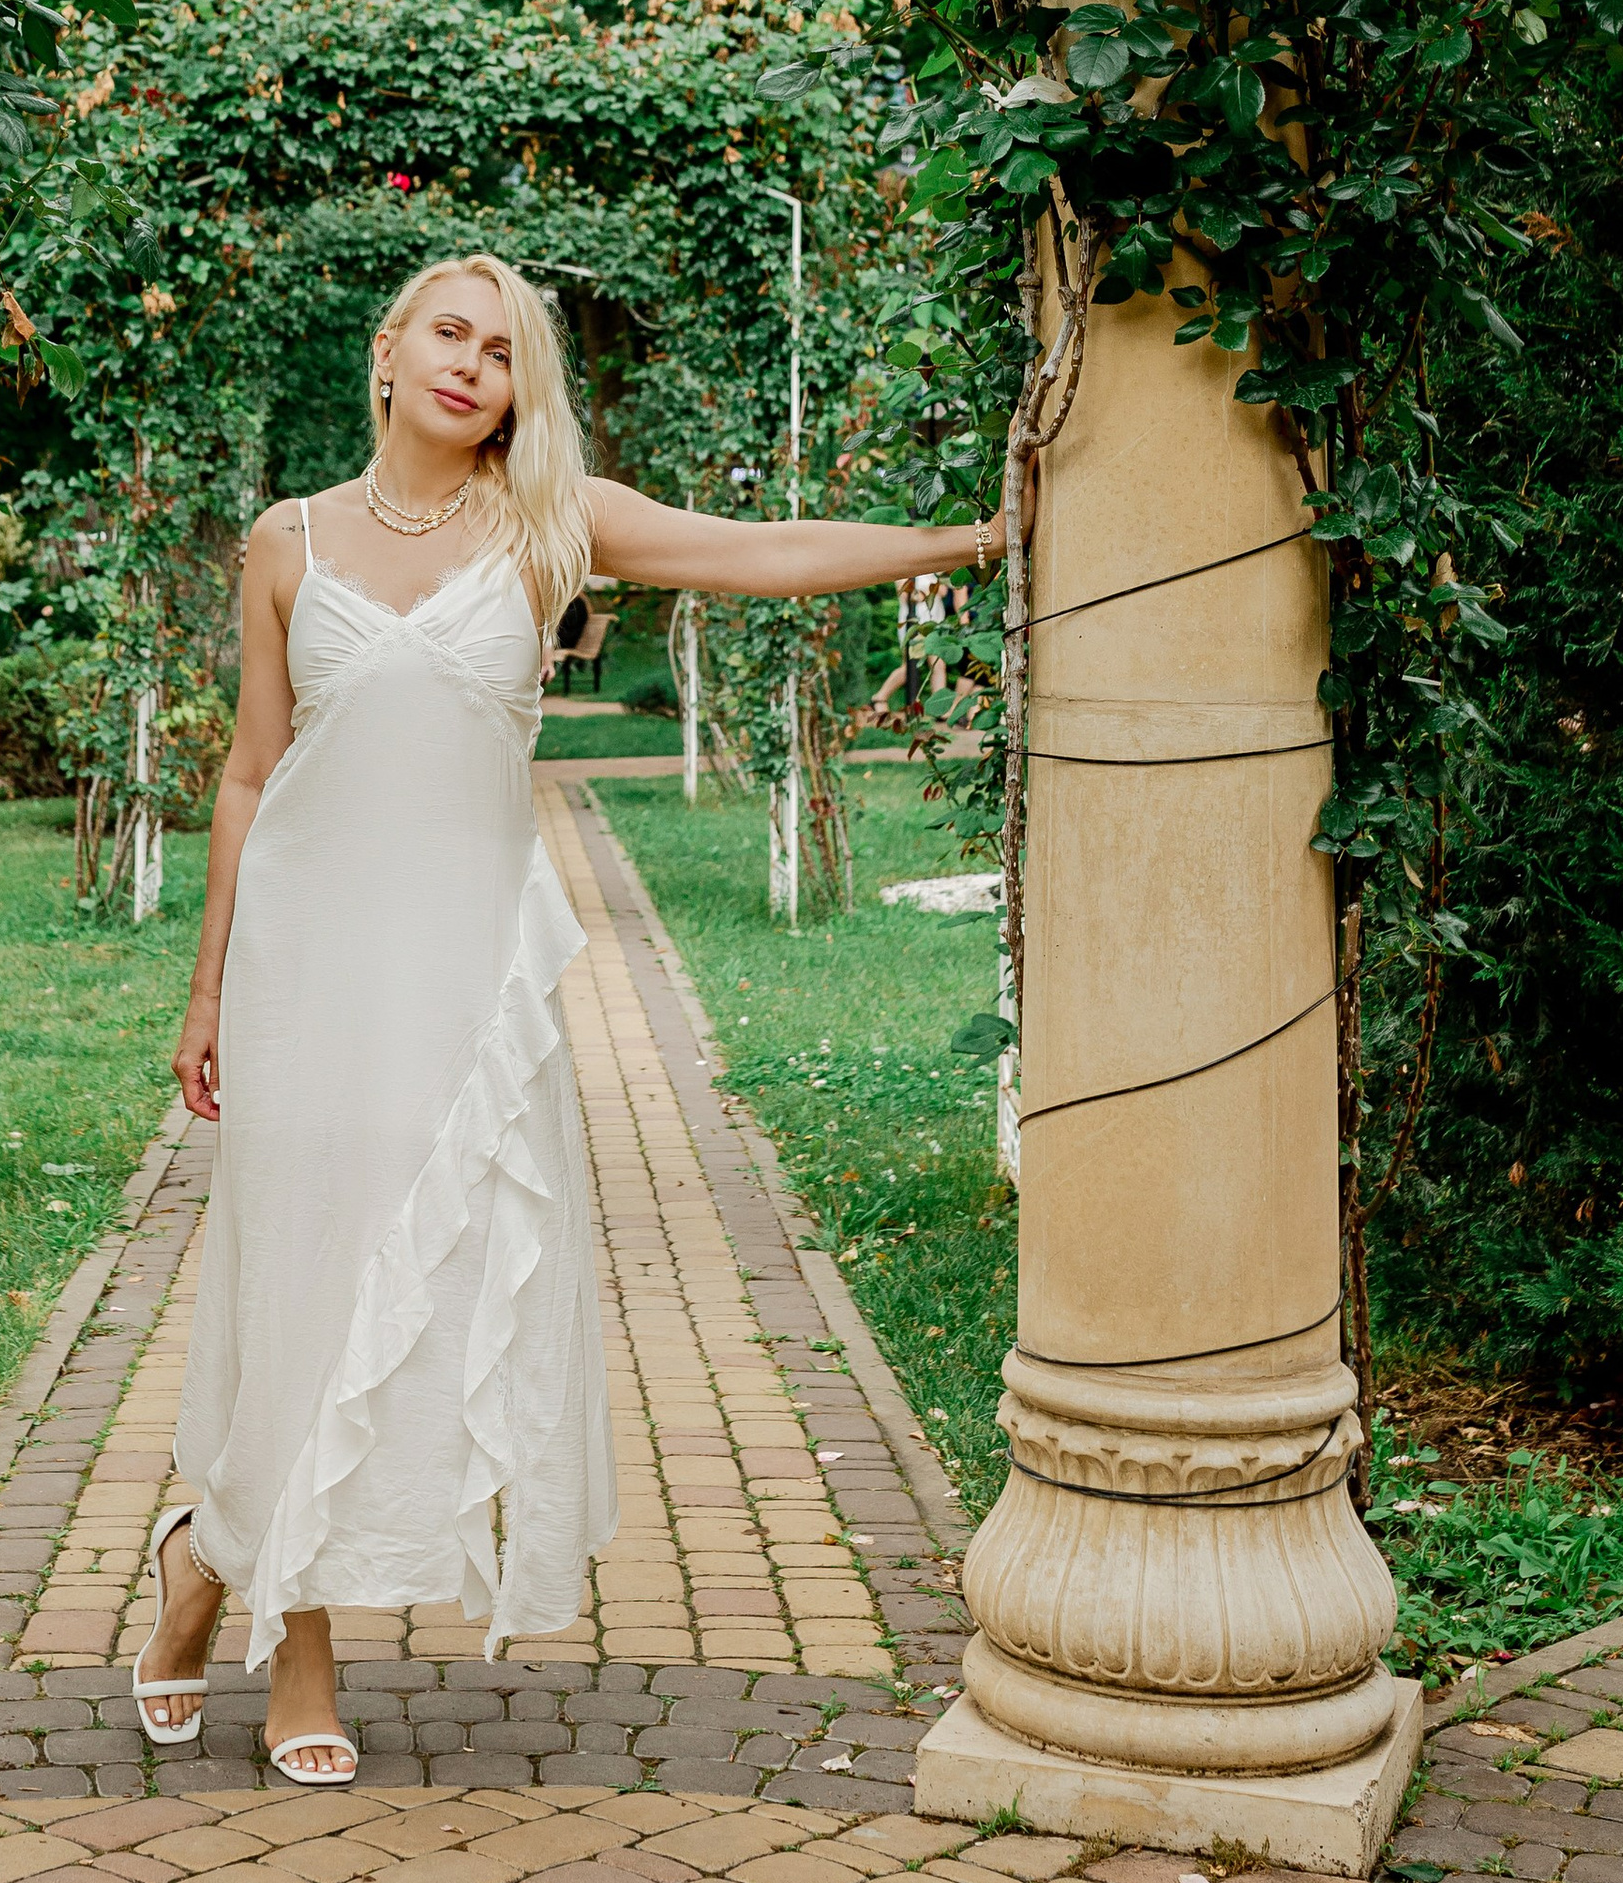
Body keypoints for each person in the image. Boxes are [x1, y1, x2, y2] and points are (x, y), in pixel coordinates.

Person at [133, 249, 1016, 1784]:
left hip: (466, 983)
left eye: (504, 354)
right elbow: (251, 774)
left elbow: (766, 551)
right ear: (389, 349)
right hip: (305, 972)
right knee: (305, 1288)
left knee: (432, 1290)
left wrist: (975, 538)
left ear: (514, 395)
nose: (472, 365)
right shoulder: (287, 540)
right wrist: (209, 988)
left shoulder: (550, 523)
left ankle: (206, 1557)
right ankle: (299, 1650)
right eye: (450, 335)